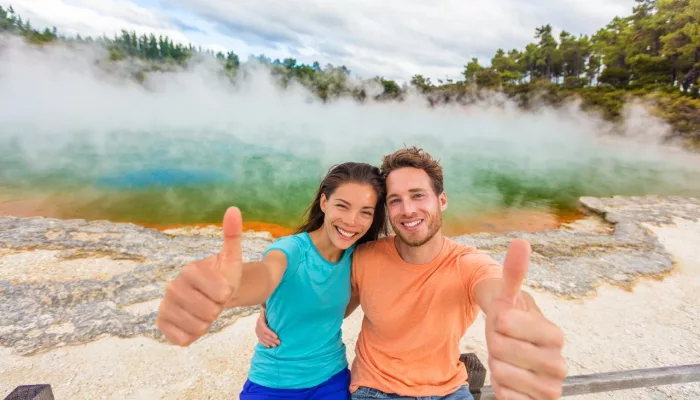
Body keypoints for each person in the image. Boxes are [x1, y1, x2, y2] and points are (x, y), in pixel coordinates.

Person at [256, 146, 567, 400]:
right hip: (374, 390)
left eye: (418, 195)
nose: (407, 210)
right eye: (395, 201)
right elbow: (325, 299)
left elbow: (498, 293)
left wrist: (517, 316)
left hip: (448, 390)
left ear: (441, 200)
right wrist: (270, 312)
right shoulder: (364, 256)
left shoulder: (469, 263)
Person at [155, 161, 389, 399]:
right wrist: (229, 288)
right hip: (274, 384)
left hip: (332, 379)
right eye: (343, 206)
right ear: (324, 202)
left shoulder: (358, 257)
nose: (352, 221)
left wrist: (271, 310)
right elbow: (266, 275)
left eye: (365, 212)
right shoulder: (291, 250)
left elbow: (337, 312)